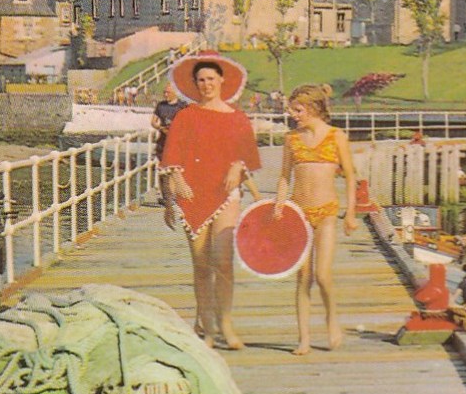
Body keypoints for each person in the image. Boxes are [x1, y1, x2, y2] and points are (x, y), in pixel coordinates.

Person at [159, 54, 261, 350]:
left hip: (226, 193)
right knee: (202, 264)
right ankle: (208, 327)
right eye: (201, 80)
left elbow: (247, 156)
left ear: (221, 81)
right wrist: (175, 186)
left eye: (211, 79)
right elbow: (172, 157)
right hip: (192, 193)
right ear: (195, 84)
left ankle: (226, 324)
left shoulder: (237, 117)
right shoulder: (185, 116)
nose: (206, 85)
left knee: (223, 260)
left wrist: (236, 166)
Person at [273, 84, 359, 355]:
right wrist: (279, 203)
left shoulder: (337, 137)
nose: (292, 114)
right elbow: (285, 176)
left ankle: (331, 318)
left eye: (297, 109)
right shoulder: (291, 139)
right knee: (303, 277)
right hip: (298, 213)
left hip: (326, 212)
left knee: (322, 274)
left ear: (313, 109)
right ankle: (304, 338)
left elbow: (350, 175)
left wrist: (352, 213)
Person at [150, 83, 186, 229]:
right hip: (163, 142)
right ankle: (166, 198)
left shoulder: (183, 106)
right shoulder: (160, 106)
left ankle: (173, 196)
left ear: (175, 93)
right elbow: (153, 121)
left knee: (175, 170)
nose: (165, 94)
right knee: (162, 171)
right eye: (164, 92)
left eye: (168, 92)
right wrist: (160, 128)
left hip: (178, 143)